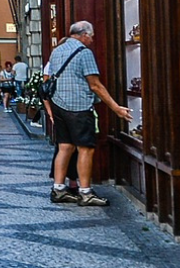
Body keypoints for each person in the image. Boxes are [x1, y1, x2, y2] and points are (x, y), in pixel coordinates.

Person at [43, 21, 133, 207]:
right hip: (78, 107)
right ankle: (85, 192)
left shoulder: (57, 51)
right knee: (86, 148)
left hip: (59, 104)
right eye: (91, 36)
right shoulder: (84, 53)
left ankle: (58, 189)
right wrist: (116, 108)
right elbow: (95, 85)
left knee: (64, 147)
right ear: (83, 34)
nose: (92, 40)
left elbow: (50, 76)